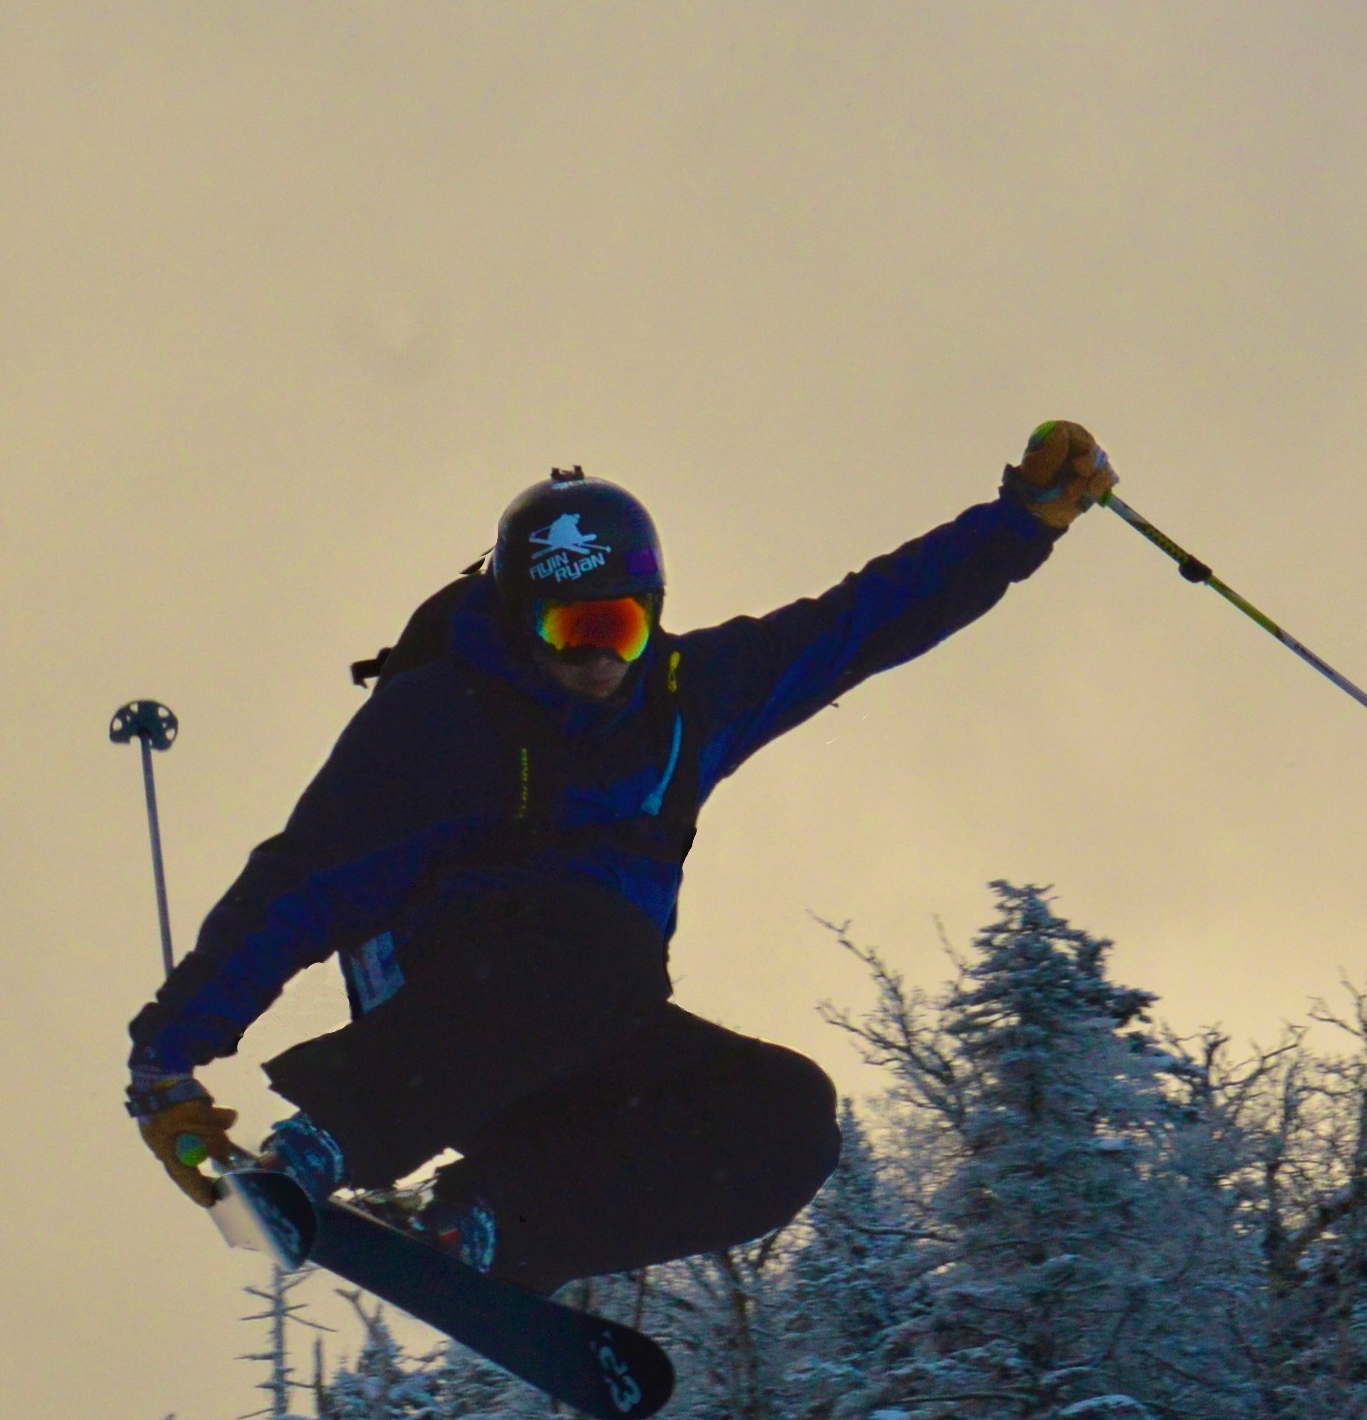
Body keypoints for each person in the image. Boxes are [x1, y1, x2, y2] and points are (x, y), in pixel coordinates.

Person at [127, 422, 1116, 1291]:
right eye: (570, 628)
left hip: (586, 1026)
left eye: (621, 626)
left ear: (653, 613)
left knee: (786, 1116)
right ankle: (326, 1147)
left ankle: (488, 1222)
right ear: (520, 622)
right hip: (447, 1012)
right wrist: (169, 1066)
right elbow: (299, 888)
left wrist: (1023, 523)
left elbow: (863, 621)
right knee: (595, 946)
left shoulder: (690, 697)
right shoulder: (441, 724)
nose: (600, 658)